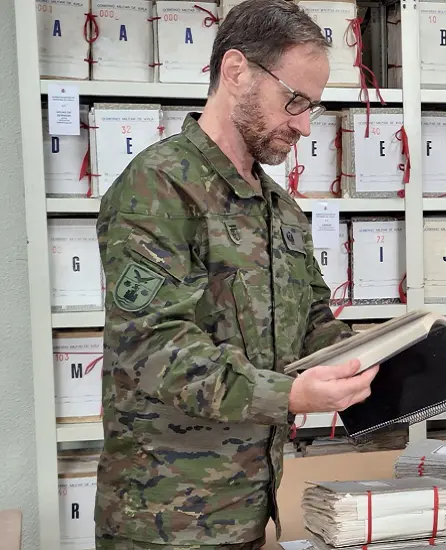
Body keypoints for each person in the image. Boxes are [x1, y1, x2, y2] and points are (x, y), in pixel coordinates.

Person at [93, 1, 379, 548]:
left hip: (247, 513)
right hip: (162, 522)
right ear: (235, 71)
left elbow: (315, 325)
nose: (302, 125)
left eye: (311, 107)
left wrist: (397, 363)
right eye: (293, 100)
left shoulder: (279, 208)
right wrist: (291, 396)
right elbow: (156, 350)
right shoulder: (158, 187)